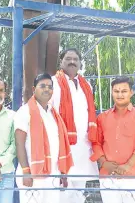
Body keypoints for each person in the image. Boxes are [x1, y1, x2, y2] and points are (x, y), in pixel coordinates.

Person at [91, 76, 135, 203]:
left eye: (124, 91)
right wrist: (104, 163)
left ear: (131, 92)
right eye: (116, 91)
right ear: (112, 92)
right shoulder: (102, 117)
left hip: (133, 176)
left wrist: (127, 166)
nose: (120, 94)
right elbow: (96, 143)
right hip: (108, 176)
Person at [14, 73, 73, 203]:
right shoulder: (24, 112)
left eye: (50, 87)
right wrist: (26, 171)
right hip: (32, 175)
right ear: (34, 89)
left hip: (53, 173)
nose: (47, 89)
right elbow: (19, 143)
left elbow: (59, 143)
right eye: (42, 86)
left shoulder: (54, 114)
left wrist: (63, 172)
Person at [51, 48, 99, 203]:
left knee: (79, 192)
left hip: (83, 147)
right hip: (62, 147)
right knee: (61, 192)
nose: (72, 62)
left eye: (75, 59)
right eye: (68, 58)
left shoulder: (87, 86)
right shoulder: (52, 83)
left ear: (80, 63)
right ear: (61, 61)